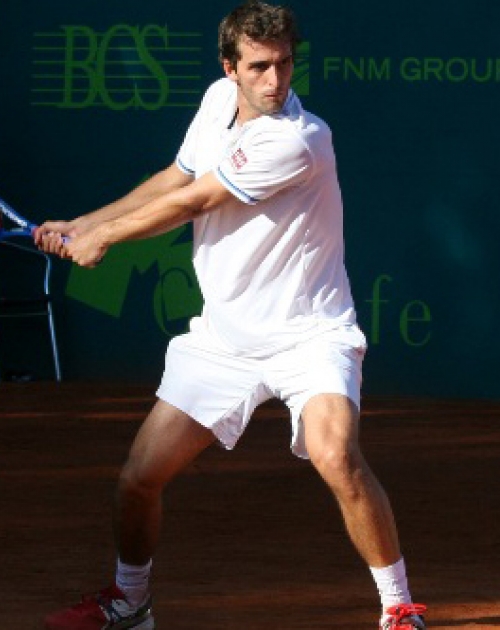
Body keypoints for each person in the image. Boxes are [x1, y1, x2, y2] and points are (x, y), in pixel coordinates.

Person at [35, 2, 426, 629]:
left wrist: (105, 240)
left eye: (285, 64)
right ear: (231, 67)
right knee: (139, 478)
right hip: (224, 339)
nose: (275, 81)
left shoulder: (302, 137)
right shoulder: (219, 101)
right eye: (260, 67)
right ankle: (130, 604)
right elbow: (176, 176)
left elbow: (194, 200)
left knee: (337, 456)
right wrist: (85, 223)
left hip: (309, 336)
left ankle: (399, 607)